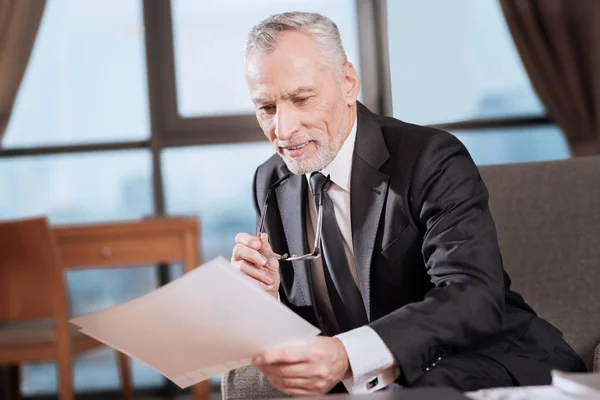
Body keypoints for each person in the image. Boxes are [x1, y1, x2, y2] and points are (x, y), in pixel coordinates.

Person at [230, 11, 586, 397]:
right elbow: (309, 331)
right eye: (267, 108)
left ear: (348, 83)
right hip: (369, 381)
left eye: (301, 99)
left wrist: (349, 355)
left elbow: (472, 294)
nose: (283, 130)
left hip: (488, 359)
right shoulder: (272, 181)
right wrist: (264, 303)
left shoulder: (432, 158)